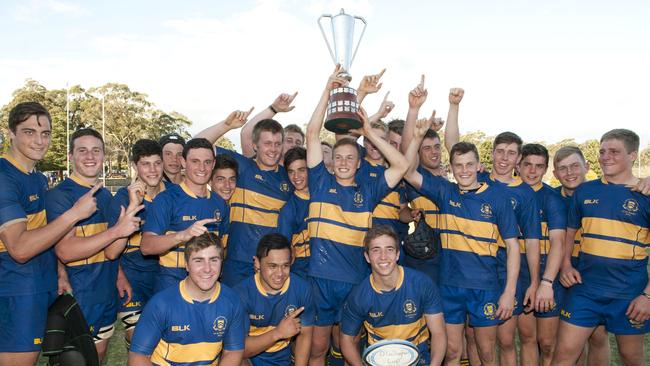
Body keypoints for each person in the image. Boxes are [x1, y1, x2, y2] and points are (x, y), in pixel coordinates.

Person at [305, 65, 410, 366]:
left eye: (350, 158)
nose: (343, 162)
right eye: (338, 157)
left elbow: (401, 166)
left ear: (359, 161)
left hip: (356, 280)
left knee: (350, 345)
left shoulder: (370, 189)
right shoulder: (320, 182)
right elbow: (312, 133)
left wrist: (369, 134)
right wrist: (327, 91)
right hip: (321, 280)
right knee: (318, 348)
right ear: (332, 161)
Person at [403, 117, 521, 366]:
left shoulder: (498, 198)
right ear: (452, 168)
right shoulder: (444, 192)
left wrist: (509, 292)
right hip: (450, 286)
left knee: (486, 353)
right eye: (459, 166)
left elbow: (512, 246)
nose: (464, 170)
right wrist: (417, 136)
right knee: (453, 352)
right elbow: (408, 171)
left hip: (485, 286)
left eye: (469, 164)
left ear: (479, 165)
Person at [0, 102, 97, 366]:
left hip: (41, 285)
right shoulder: (4, 176)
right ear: (11, 133)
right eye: (29, 132)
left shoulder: (38, 178)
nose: (39, 140)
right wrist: (75, 213)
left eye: (45, 133)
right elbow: (19, 248)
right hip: (16, 290)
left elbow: (44, 233)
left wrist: (59, 271)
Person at [553, 129, 650, 366]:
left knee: (631, 358)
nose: (605, 157)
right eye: (602, 152)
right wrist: (565, 265)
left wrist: (648, 295)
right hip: (585, 289)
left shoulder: (645, 194)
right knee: (564, 354)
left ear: (633, 155)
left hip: (628, 293)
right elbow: (570, 232)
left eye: (614, 152)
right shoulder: (585, 191)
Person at [46, 128, 142, 360]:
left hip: (104, 293)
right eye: (82, 150)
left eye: (96, 150)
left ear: (103, 156)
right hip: (77, 296)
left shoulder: (106, 197)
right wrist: (118, 231)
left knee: (97, 358)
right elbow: (66, 252)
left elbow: (110, 252)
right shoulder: (60, 195)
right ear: (70, 156)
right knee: (75, 361)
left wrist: (119, 273)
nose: (90, 156)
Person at [195, 109, 293, 287]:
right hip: (235, 262)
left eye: (277, 144)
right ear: (255, 145)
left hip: (269, 265)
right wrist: (226, 126)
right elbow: (197, 146)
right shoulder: (242, 166)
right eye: (267, 143)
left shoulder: (289, 180)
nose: (273, 149)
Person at [128, 233, 246, 365]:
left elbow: (232, 352)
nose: (207, 269)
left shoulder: (232, 301)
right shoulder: (162, 303)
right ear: (187, 265)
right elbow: (138, 355)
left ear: (221, 263)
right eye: (198, 261)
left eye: (213, 260)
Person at [340, 226, 446, 365]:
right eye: (376, 250)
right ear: (367, 256)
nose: (383, 256)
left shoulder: (422, 283)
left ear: (397, 254)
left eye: (389, 249)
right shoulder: (359, 295)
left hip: (419, 359)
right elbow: (346, 340)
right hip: (378, 360)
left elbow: (438, 333)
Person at [478, 132, 541, 366]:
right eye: (500, 151)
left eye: (511, 153)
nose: (504, 158)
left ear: (518, 158)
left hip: (508, 270)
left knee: (505, 340)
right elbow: (453, 145)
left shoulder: (525, 193)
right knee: (476, 337)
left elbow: (533, 241)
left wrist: (534, 283)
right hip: (475, 268)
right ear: (492, 153)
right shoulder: (477, 179)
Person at [140, 138, 230, 292]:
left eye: (207, 162)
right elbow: (146, 246)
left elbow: (223, 249)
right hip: (171, 286)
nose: (202, 167)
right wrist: (182, 235)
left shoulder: (220, 204)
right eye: (195, 161)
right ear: (183, 162)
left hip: (207, 288)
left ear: (213, 164)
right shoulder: (166, 199)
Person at [107, 139, 166, 348]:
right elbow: (111, 253)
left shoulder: (174, 194)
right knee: (141, 341)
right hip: (133, 278)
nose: (152, 170)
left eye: (157, 163)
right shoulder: (123, 198)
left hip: (165, 276)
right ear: (134, 166)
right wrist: (133, 207)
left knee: (167, 342)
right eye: (145, 164)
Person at [517, 143, 567, 366]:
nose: (532, 171)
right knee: (527, 338)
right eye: (528, 164)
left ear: (546, 169)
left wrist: (547, 282)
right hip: (518, 272)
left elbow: (558, 242)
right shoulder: (508, 192)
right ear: (518, 164)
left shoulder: (551, 198)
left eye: (539, 166)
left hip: (547, 271)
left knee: (547, 342)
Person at [236, 233, 314, 365]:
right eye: (272, 266)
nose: (279, 273)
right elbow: (238, 350)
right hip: (248, 358)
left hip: (282, 357)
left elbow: (305, 336)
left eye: (285, 266)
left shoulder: (302, 289)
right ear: (257, 263)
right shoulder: (241, 294)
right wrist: (278, 333)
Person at [278, 147, 311, 278]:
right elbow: (284, 250)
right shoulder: (289, 209)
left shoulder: (324, 195)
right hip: (302, 272)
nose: (296, 177)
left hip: (328, 270)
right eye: (291, 172)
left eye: (301, 170)